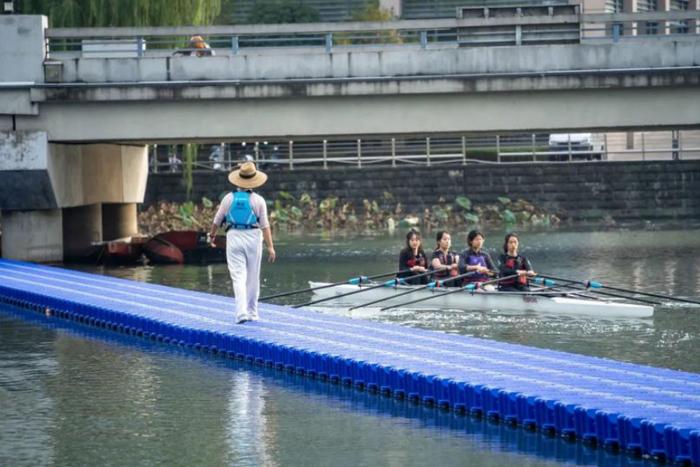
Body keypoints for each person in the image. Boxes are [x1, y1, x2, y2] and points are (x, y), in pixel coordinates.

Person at [209, 161, 276, 324]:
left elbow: (217, 221)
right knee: (253, 276)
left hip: (233, 237)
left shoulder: (228, 198)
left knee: (238, 277)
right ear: (254, 180)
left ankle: (241, 313)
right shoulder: (259, 200)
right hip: (253, 237)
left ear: (238, 180)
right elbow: (265, 226)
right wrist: (271, 247)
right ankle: (252, 312)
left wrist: (211, 236)